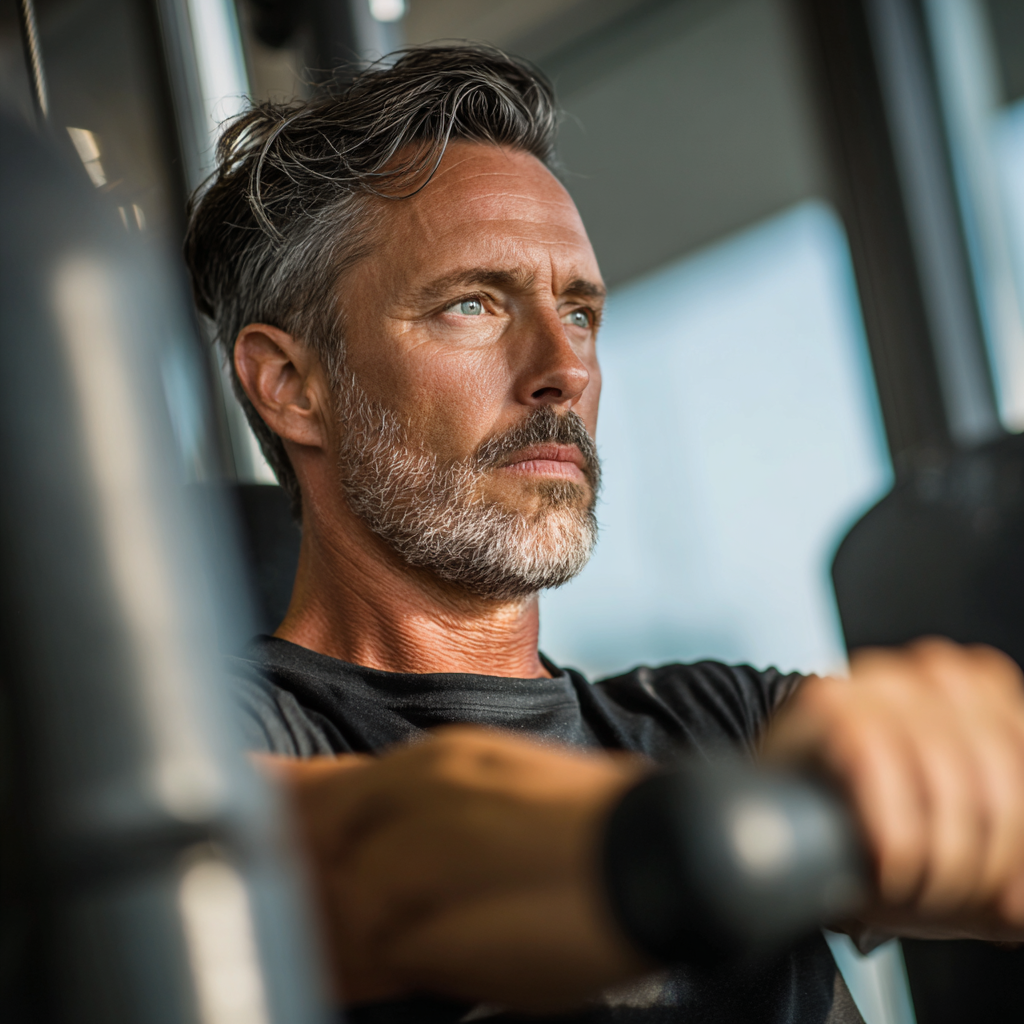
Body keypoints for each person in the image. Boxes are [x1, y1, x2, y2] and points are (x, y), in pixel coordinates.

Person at [185, 44, 1024, 1024]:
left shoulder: (725, 722)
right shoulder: (205, 743)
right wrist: (698, 843)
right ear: (293, 386)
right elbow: (364, 860)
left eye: (579, 312)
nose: (562, 369)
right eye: (474, 305)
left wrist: (954, 777)